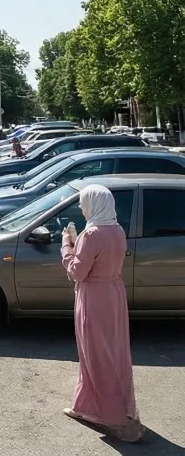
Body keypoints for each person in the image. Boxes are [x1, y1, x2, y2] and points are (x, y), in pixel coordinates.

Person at [61, 185, 143, 442]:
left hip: (94, 297)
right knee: (113, 352)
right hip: (114, 294)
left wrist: (67, 245)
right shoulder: (117, 230)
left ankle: (109, 413)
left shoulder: (92, 234)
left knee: (94, 354)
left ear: (93, 204)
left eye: (84, 203)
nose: (82, 208)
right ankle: (85, 405)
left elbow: (77, 271)